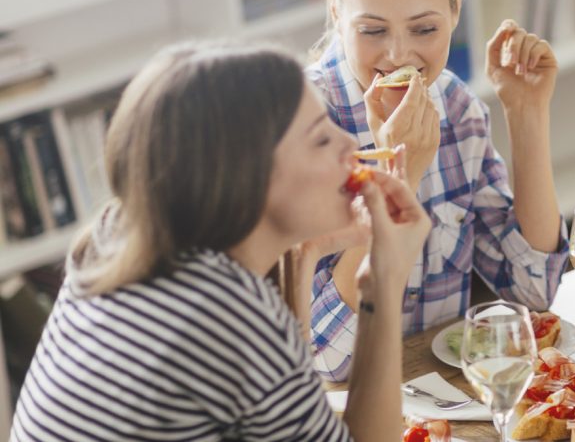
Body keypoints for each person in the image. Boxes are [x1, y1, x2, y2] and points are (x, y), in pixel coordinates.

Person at [9, 41, 431, 441]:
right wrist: (383, 282)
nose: (351, 144)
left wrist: (303, 251)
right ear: (246, 179)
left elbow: (282, 413)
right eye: (321, 138)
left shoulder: (114, 234)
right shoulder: (228, 314)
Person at [307, 0, 569, 381]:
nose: (398, 55)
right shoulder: (302, 126)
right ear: (336, 10)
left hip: (441, 396)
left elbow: (533, 289)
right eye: (373, 30)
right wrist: (398, 175)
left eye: (424, 28)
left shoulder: (457, 107)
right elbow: (333, 359)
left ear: (455, 7)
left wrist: (526, 114)